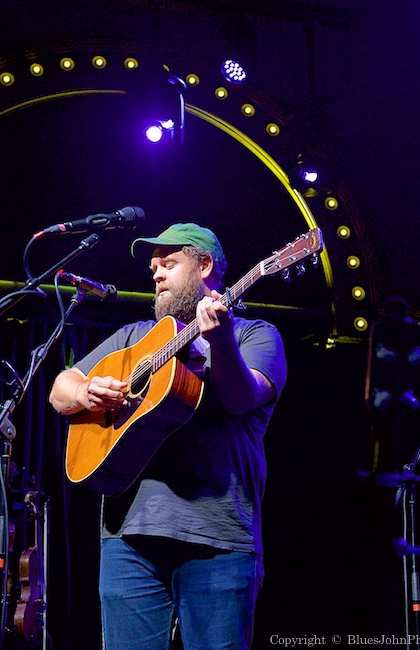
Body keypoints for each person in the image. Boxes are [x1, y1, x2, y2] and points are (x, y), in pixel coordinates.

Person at [49, 223, 287, 650]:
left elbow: (242, 397)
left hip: (218, 539)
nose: (155, 274)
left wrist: (222, 343)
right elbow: (61, 386)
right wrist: (86, 391)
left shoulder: (255, 335)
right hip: (127, 540)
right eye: (154, 267)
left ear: (206, 266)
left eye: (169, 264)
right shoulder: (133, 337)